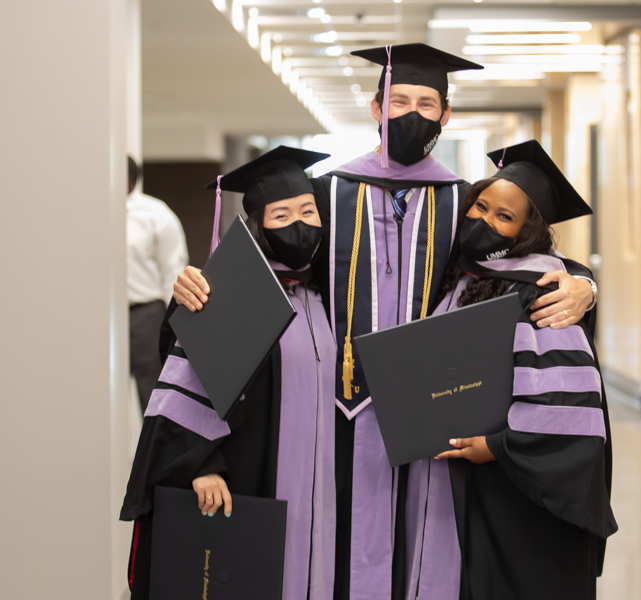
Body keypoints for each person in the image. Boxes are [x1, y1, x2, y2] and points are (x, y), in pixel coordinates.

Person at [173, 44, 598, 600]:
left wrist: (584, 284)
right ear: (376, 108)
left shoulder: (462, 204)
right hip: (328, 420)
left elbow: (524, 263)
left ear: (447, 116)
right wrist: (193, 287)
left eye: (427, 103)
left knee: (426, 561)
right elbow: (260, 267)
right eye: (399, 101)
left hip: (431, 419)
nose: (413, 114)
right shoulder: (323, 196)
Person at [121, 147, 338, 600]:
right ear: (257, 224)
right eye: (281, 214)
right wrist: (201, 466)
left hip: (320, 487)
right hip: (250, 476)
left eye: (308, 211)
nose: (298, 224)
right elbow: (188, 387)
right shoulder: (235, 292)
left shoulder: (330, 295)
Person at [407, 140, 617, 600]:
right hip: (459, 482)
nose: (484, 221)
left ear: (526, 232)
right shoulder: (458, 273)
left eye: (504, 216)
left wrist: (500, 447)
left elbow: (568, 414)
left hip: (517, 496)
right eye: (480, 206)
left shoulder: (544, 292)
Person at [127, 155, 189, 413]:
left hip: (146, 316)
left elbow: (173, 270)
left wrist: (174, 324)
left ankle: (153, 451)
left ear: (131, 179)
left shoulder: (155, 214)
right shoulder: (89, 213)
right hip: (100, 317)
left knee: (151, 394)